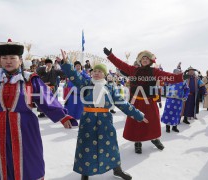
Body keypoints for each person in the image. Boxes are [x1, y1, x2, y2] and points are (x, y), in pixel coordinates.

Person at [0, 25, 77, 179]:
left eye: (12, 58)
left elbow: (46, 98)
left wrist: (62, 116)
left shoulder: (29, 79)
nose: (8, 61)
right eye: (4, 58)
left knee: (26, 165)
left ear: (20, 60)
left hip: (24, 129)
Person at [60, 49, 148, 180]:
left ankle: (117, 170)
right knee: (86, 146)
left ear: (105, 74)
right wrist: (66, 62)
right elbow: (74, 75)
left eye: (99, 71)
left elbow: (123, 103)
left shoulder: (110, 88)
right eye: (94, 71)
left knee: (110, 146)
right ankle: (85, 173)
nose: (96, 73)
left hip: (105, 120)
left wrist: (139, 115)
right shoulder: (85, 83)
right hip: (88, 120)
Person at [103, 47, 184, 154]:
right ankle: (137, 142)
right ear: (140, 60)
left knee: (152, 122)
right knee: (137, 122)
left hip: (149, 102)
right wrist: (111, 56)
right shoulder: (133, 70)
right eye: (143, 58)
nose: (144, 60)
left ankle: (155, 139)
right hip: (136, 102)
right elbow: (121, 64)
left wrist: (180, 77)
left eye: (147, 58)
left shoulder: (155, 71)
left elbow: (168, 76)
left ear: (150, 61)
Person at [161, 66, 190, 133]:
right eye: (176, 73)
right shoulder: (169, 80)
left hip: (178, 100)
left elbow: (187, 89)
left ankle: (174, 127)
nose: (177, 74)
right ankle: (167, 127)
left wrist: (185, 96)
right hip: (170, 100)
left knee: (176, 113)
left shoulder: (183, 81)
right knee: (168, 112)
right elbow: (163, 83)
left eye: (179, 73)